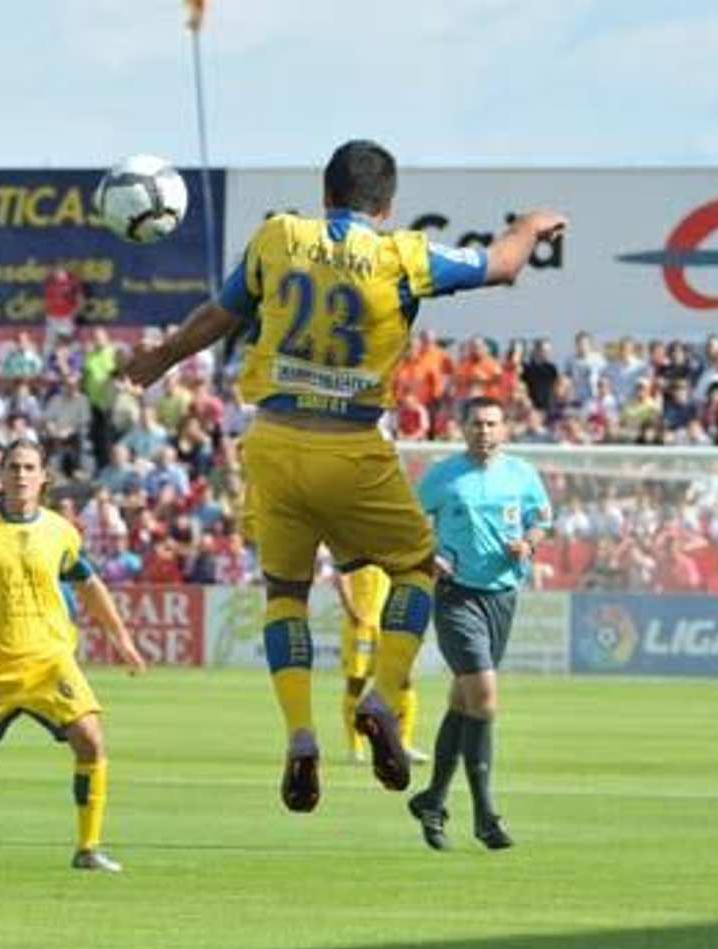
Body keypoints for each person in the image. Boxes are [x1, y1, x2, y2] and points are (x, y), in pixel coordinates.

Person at [124, 139, 565, 813]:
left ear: (324, 193)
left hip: (272, 443)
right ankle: (384, 696)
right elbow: (503, 266)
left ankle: (300, 736)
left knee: (285, 593)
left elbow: (220, 314)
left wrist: (162, 357)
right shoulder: (402, 255)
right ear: (385, 208)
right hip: (352, 446)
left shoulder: (278, 237)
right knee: (419, 568)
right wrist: (530, 226)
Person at [0, 438, 146, 871]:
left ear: (43, 478)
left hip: (49, 662)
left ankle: (88, 848)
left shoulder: (62, 531)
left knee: (91, 743)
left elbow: (90, 587)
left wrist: (122, 641)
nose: (20, 475)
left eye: (28, 467)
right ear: (0, 476)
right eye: (13, 467)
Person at [404, 398, 550, 851]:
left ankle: (432, 800)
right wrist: (428, 555)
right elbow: (406, 522)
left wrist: (528, 543)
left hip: (502, 595)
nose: (483, 431)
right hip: (455, 596)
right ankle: (486, 815)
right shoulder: (443, 476)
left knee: (464, 701)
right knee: (484, 697)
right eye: (475, 424)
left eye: (491, 423)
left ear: (505, 429)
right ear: (462, 429)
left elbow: (541, 519)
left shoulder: (522, 475)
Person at [334, 563, 423, 764]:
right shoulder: (352, 544)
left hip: (388, 623)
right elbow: (341, 577)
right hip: (360, 625)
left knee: (405, 680)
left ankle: (404, 744)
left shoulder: (389, 545)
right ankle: (355, 749)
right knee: (356, 684)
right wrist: (351, 610)